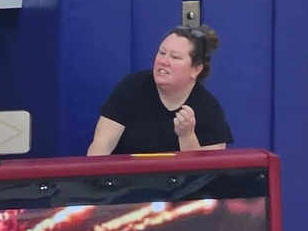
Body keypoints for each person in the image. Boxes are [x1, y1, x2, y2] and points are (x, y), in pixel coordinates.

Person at [87, 25, 233, 156]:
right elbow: (102, 143)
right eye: (162, 53)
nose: (164, 61)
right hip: (126, 183)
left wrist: (187, 136)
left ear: (196, 70)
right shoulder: (132, 87)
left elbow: (209, 174)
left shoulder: (209, 110)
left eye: (175, 57)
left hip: (184, 185)